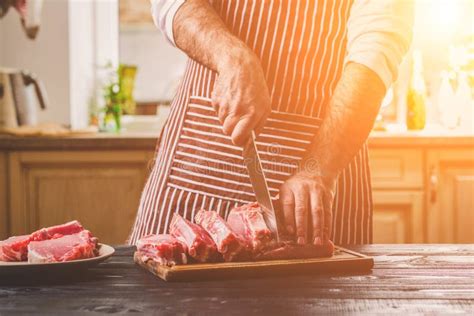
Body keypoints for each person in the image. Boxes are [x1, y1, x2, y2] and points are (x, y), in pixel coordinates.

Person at [129, 0, 413, 245]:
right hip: (201, 158)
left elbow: (377, 47)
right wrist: (230, 56)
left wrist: (319, 170)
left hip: (324, 170)